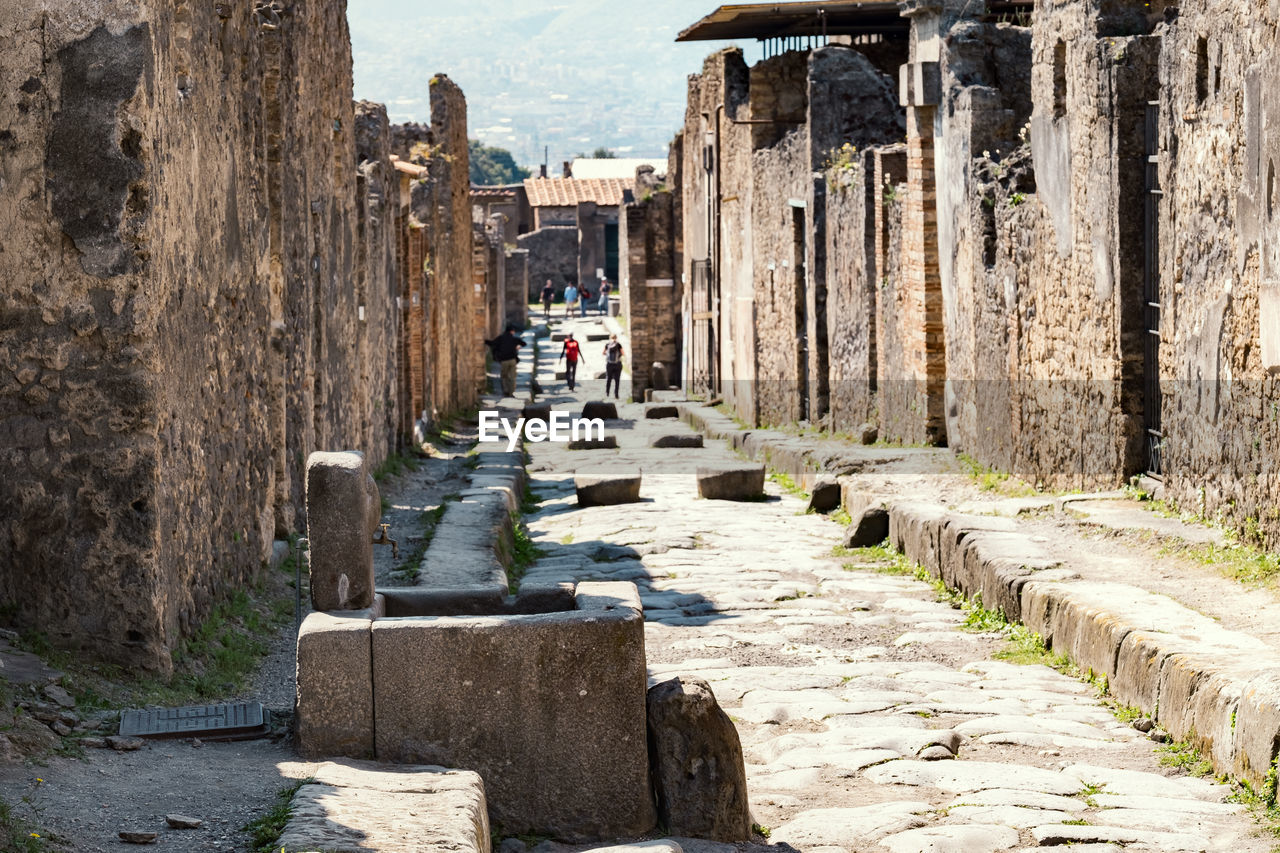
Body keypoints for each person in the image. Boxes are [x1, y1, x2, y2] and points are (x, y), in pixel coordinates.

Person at [485, 324, 525, 397]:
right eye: (513, 331)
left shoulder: (501, 338)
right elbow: (524, 343)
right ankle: (511, 392)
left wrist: (484, 341)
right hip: (513, 360)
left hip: (504, 361)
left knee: (504, 377)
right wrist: (518, 346)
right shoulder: (514, 339)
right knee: (513, 377)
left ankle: (506, 391)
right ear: (512, 331)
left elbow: (492, 343)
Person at [603, 333, 624, 399]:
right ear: (616, 338)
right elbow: (623, 353)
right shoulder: (618, 345)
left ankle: (607, 393)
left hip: (609, 364)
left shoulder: (607, 345)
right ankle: (616, 394)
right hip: (618, 364)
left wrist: (608, 355)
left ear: (610, 338)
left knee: (608, 379)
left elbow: (603, 353)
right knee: (617, 380)